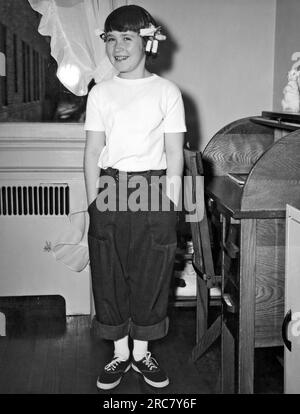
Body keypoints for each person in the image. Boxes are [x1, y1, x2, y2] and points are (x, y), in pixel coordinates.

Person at [84, 4, 186, 391]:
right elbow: (93, 151)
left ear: (147, 40)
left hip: (154, 188)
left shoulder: (167, 92)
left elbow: (175, 153)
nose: (118, 47)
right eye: (111, 38)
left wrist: (172, 204)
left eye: (127, 38)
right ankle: (120, 354)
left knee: (151, 270)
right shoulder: (101, 94)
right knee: (109, 268)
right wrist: (94, 202)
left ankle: (141, 352)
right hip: (110, 186)